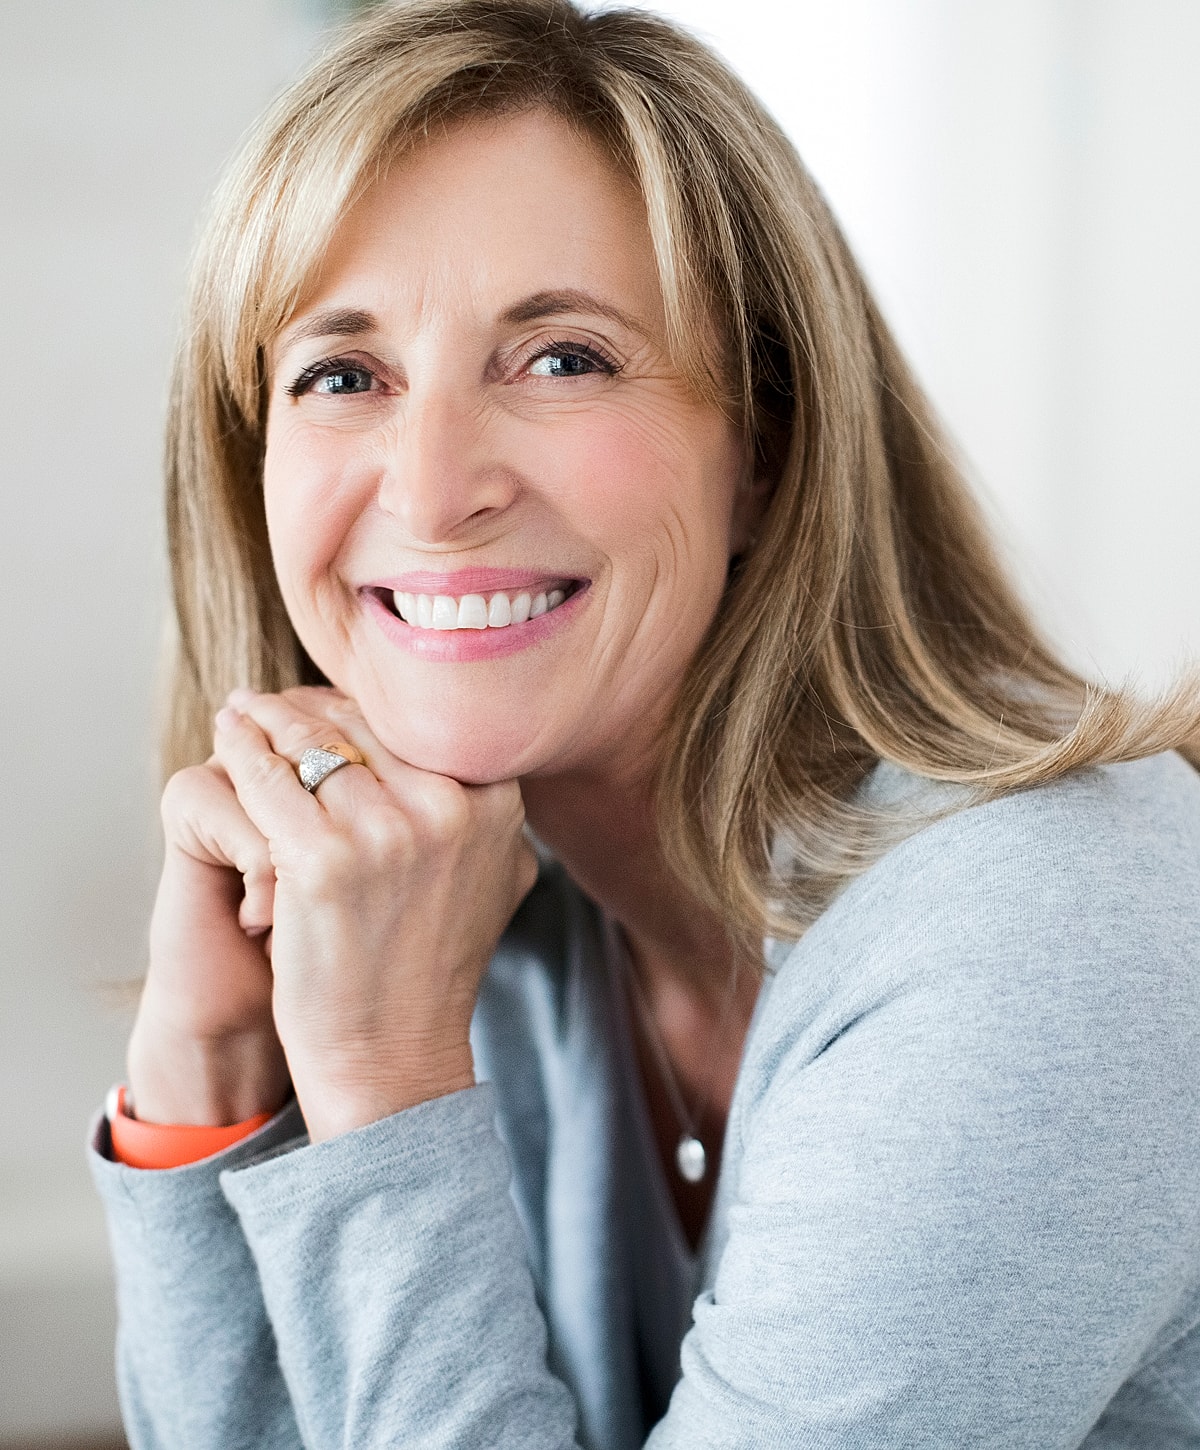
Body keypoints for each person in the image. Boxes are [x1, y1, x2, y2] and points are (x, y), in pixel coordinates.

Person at [88, 2, 1200, 1446]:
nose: (431, 493)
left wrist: (381, 1083)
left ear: (767, 449)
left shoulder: (1039, 937)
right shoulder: (451, 886)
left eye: (563, 359)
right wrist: (212, 1076)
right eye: (343, 376)